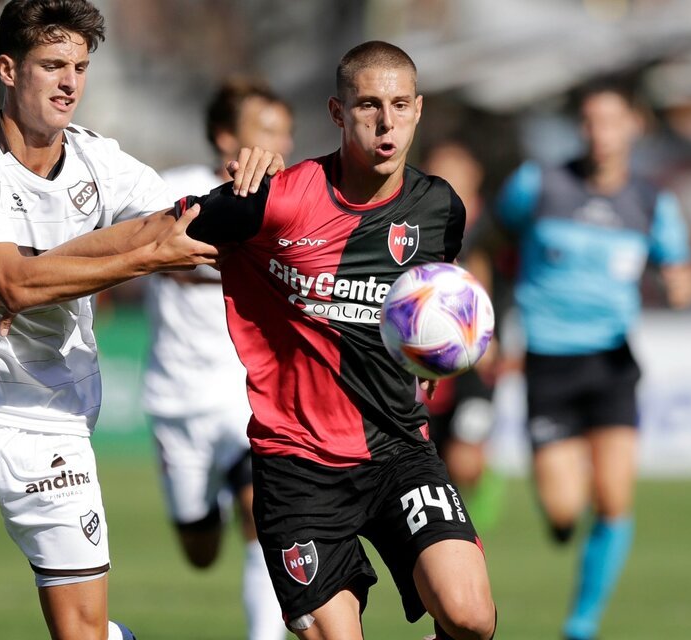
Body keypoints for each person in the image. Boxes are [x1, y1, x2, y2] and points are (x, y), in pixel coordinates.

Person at [0, 2, 279, 639]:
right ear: (8, 69)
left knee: (82, 632)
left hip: (55, 415)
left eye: (81, 67)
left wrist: (267, 196)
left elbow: (182, 220)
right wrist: (143, 254)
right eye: (52, 65)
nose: (70, 83)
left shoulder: (102, 164)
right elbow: (15, 284)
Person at [175, 41, 497, 640]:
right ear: (336, 111)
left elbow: (430, 301)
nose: (386, 121)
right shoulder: (276, 197)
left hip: (399, 449)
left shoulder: (440, 209)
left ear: (419, 109)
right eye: (368, 105)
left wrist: (432, 352)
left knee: (471, 617)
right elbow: (161, 237)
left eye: (400, 105)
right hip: (298, 465)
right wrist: (35, 276)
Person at [496, 80, 691, 640]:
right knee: (565, 511)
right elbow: (494, 240)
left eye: (611, 121)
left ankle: (581, 624)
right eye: (589, 121)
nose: (599, 133)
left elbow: (678, 268)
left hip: (611, 365)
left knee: (614, 498)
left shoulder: (652, 202)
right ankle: (563, 519)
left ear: (633, 126)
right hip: (548, 363)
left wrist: (680, 283)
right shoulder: (537, 185)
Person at [142, 77, 293, 640]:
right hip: (178, 397)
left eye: (286, 132)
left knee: (264, 517)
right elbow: (132, 251)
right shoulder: (174, 192)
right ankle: (204, 509)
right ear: (226, 136)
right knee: (199, 548)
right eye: (267, 130)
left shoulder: (288, 202)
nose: (279, 142)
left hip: (247, 393)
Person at [419, 141, 505, 534]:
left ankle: (481, 482)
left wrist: (487, 339)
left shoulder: (488, 228)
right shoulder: (415, 221)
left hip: (475, 358)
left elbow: (489, 282)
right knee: (431, 454)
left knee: (464, 458)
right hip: (428, 355)